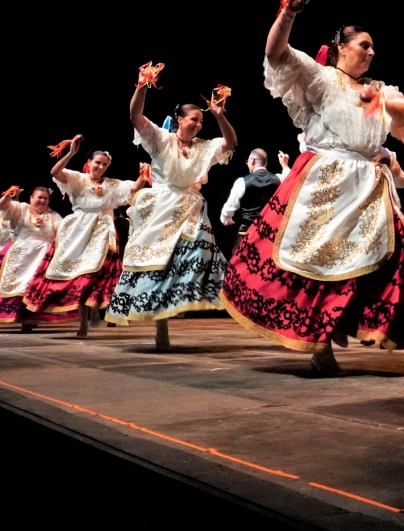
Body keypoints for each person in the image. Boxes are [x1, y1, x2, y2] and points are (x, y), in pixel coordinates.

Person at [219, 0, 404, 376]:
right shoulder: (319, 77)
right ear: (342, 47)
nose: (372, 52)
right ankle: (322, 345)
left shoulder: (380, 88)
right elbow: (275, 53)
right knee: (317, 261)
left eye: (374, 47)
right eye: (364, 45)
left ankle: (366, 322)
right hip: (324, 179)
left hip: (368, 185)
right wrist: (288, 13)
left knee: (394, 257)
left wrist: (382, 102)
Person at [105, 70, 237, 351]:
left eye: (201, 121)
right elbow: (136, 117)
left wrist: (218, 115)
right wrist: (142, 86)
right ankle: (161, 327)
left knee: (198, 251)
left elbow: (230, 143)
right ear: (179, 119)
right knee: (157, 264)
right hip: (161, 206)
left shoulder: (204, 147)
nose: (198, 125)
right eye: (194, 119)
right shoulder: (161, 139)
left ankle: (181, 297)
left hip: (190, 208)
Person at [24, 136, 140, 338]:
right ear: (89, 163)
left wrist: (143, 174)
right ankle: (83, 323)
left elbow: (134, 189)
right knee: (79, 277)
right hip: (78, 231)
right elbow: (55, 172)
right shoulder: (78, 179)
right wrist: (71, 153)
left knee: (96, 274)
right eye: (98, 163)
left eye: (105, 164)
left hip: (102, 232)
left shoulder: (112, 184)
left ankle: (94, 307)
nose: (101, 167)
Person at [0, 186, 63, 330]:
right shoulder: (20, 208)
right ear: (31, 198)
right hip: (20, 253)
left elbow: (62, 229)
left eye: (45, 198)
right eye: (39, 197)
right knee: (6, 286)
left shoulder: (52, 215)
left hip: (42, 257)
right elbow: (2, 206)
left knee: (33, 287)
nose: (42, 200)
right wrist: (9, 194)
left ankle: (28, 320)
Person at [221, 148, 283, 253]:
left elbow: (228, 209)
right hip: (270, 235)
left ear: (253, 161)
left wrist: (226, 219)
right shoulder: (278, 179)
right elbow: (292, 180)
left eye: (247, 161)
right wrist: (284, 165)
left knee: (240, 262)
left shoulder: (242, 182)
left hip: (248, 233)